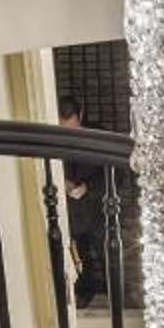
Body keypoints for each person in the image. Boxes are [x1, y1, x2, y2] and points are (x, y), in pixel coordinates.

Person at [59, 101, 107, 307]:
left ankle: (115, 292)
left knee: (108, 254)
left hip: (98, 208)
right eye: (65, 128)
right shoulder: (56, 138)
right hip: (73, 211)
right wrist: (62, 182)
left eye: (73, 127)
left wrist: (88, 187)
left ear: (81, 115)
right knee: (81, 255)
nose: (69, 133)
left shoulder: (98, 136)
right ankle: (86, 290)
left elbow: (116, 175)